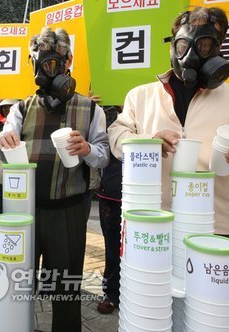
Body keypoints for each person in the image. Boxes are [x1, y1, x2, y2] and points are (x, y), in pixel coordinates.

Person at [108, 7, 229, 237]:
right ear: (172, 45)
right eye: (184, 44)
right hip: (151, 219)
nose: (191, 54)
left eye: (204, 44)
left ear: (219, 47)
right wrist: (147, 143)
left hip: (211, 221)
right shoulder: (140, 95)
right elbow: (117, 136)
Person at [0, 27, 109, 332]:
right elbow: (4, 145)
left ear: (69, 61)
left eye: (56, 63)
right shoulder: (21, 109)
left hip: (69, 211)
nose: (49, 70)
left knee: (66, 287)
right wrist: (4, 141)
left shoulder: (91, 109)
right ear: (32, 63)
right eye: (43, 63)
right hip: (26, 211)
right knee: (20, 283)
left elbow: (104, 155)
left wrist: (87, 149)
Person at [96, 106, 123, 315]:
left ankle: (139, 292)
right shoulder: (104, 110)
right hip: (112, 192)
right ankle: (111, 292)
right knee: (113, 247)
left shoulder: (155, 106)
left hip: (149, 195)